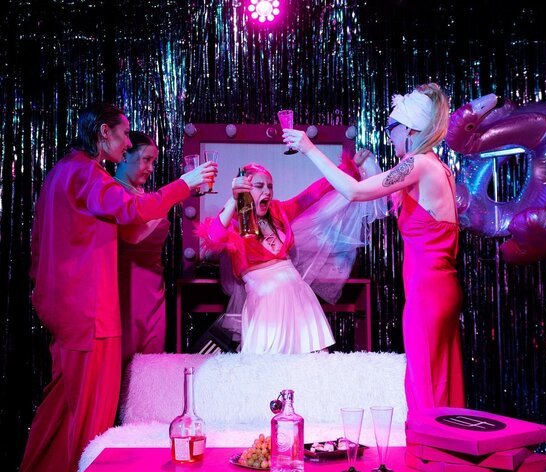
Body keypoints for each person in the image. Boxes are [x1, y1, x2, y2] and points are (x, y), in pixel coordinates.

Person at [5, 102, 217, 472]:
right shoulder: (86, 173)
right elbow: (132, 211)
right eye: (123, 135)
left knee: (63, 409)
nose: (125, 144)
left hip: (66, 307)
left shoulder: (62, 171)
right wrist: (185, 184)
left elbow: (44, 241)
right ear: (104, 133)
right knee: (92, 416)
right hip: (90, 309)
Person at [283, 83, 465, 412]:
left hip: (428, 292)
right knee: (441, 382)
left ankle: (429, 444)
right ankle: (444, 444)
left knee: (425, 386)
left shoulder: (419, 164)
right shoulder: (437, 167)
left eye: (392, 127)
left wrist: (309, 149)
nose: (389, 136)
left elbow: (354, 192)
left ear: (410, 129)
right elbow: (390, 200)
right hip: (441, 288)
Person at [196, 158, 370, 354]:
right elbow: (214, 237)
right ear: (244, 188)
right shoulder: (235, 219)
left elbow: (312, 194)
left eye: (270, 186)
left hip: (298, 295)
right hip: (267, 302)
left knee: (314, 360)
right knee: (266, 362)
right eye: (259, 186)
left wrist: (347, 169)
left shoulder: (278, 211)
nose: (267, 191)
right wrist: (234, 199)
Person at [114, 131, 170, 365]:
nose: (151, 168)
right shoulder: (113, 193)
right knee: (124, 354)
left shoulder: (149, 197)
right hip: (127, 286)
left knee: (151, 360)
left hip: (154, 287)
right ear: (124, 156)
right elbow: (133, 236)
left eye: (153, 161)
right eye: (146, 159)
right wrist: (168, 200)